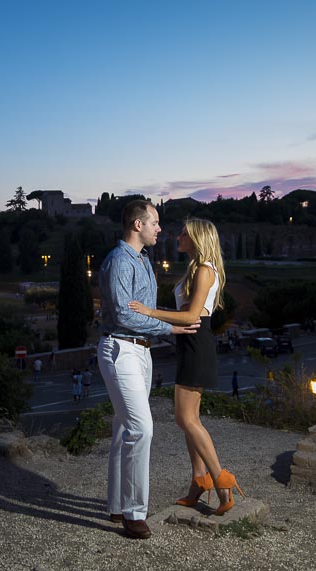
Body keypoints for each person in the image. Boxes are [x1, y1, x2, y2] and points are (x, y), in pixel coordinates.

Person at [128, 217, 244, 517]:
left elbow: (192, 316)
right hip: (190, 345)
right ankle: (198, 482)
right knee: (189, 419)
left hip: (196, 344)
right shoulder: (197, 269)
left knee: (186, 420)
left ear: (196, 238)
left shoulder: (205, 270)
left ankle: (221, 479)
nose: (177, 236)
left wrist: (150, 313)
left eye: (183, 233)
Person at [97, 200, 199, 539]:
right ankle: (134, 513)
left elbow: (148, 311)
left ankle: (116, 505)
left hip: (141, 351)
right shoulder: (118, 262)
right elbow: (126, 316)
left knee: (123, 428)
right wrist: (170, 329)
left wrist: (174, 321)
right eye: (154, 223)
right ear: (137, 225)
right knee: (142, 429)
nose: (160, 229)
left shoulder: (143, 260)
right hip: (120, 349)